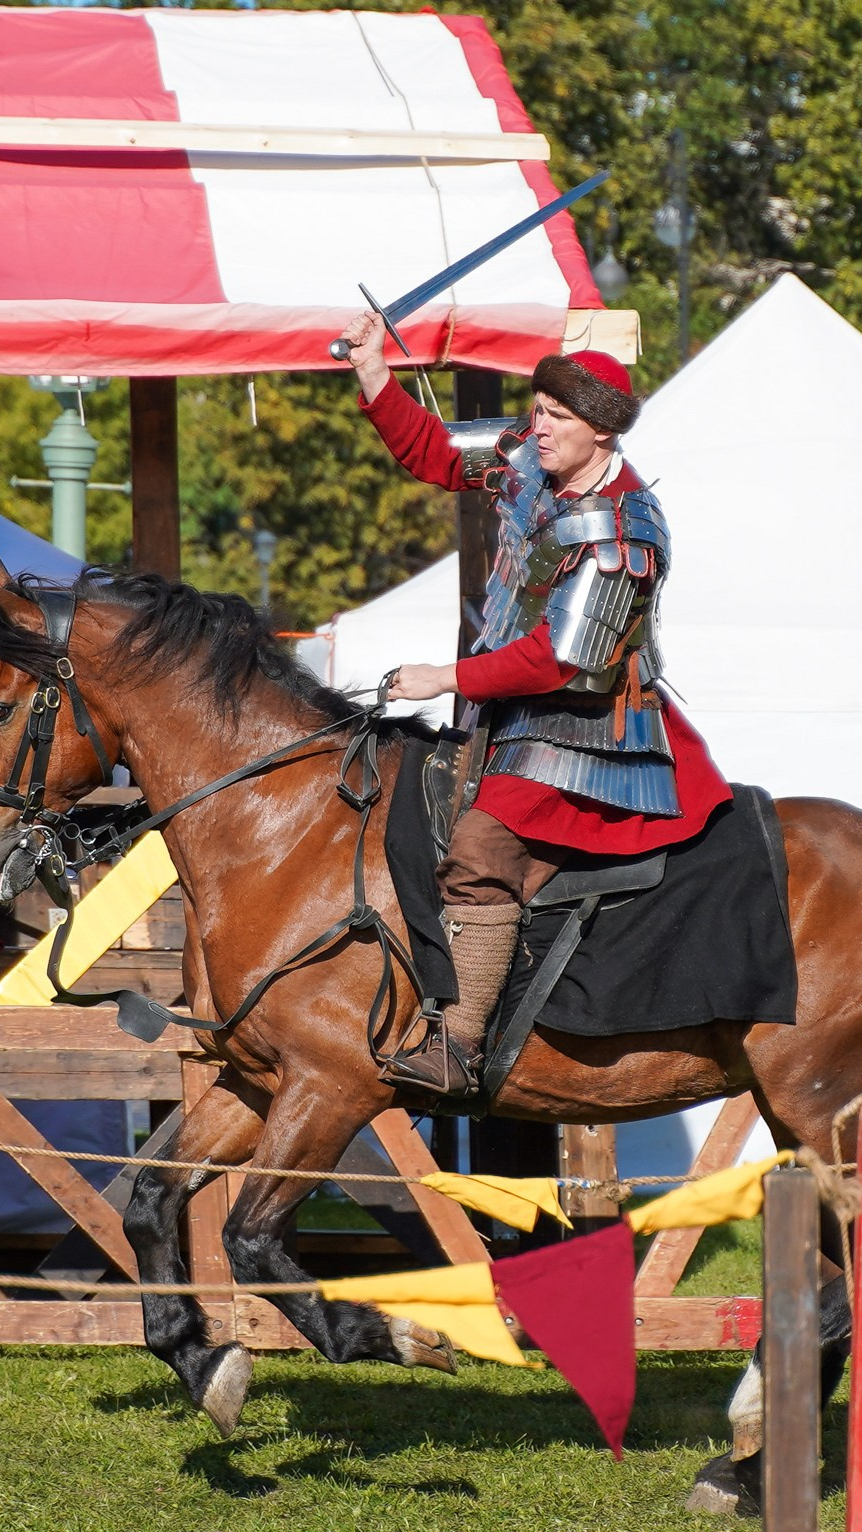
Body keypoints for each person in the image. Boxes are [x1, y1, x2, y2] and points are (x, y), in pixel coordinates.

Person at [342, 312, 732, 1095]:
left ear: (598, 429)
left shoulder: (624, 525)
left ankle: (458, 1046)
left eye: (554, 416)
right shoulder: (530, 464)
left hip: (590, 730)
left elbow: (564, 659)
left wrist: (445, 677)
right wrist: (374, 373)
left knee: (481, 852)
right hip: (509, 713)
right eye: (538, 411)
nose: (537, 426)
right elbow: (438, 453)